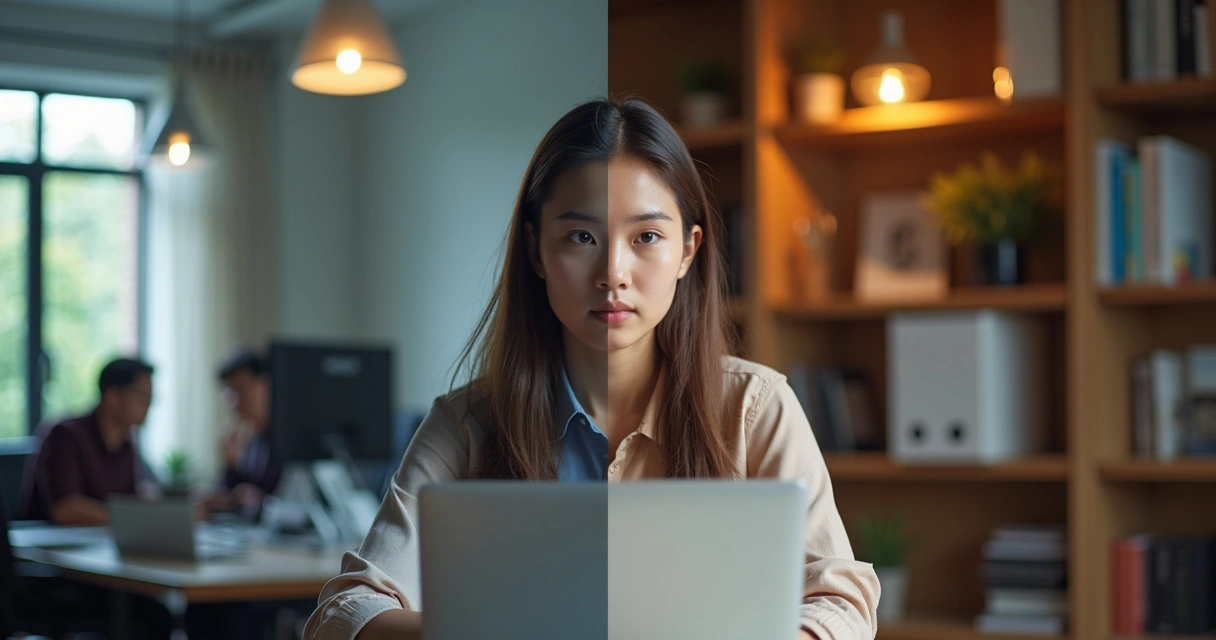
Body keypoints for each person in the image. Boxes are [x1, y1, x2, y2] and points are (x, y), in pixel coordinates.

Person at [302, 98, 880, 640]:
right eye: (582, 236)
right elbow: (346, 610)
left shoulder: (756, 407)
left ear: (687, 251)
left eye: (647, 236)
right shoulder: (468, 423)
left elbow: (842, 601)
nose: (613, 273)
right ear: (536, 251)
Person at [20, 357, 159, 525]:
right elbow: (65, 509)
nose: (148, 404)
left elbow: (128, 501)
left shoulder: (126, 445)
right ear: (113, 396)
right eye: (141, 396)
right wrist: (131, 518)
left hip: (98, 544)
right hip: (47, 545)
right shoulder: (66, 435)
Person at [207, 348, 279, 516]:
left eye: (241, 390)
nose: (235, 402)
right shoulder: (249, 439)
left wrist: (262, 503)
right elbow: (242, 498)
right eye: (230, 393)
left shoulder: (288, 440)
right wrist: (231, 466)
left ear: (265, 386)